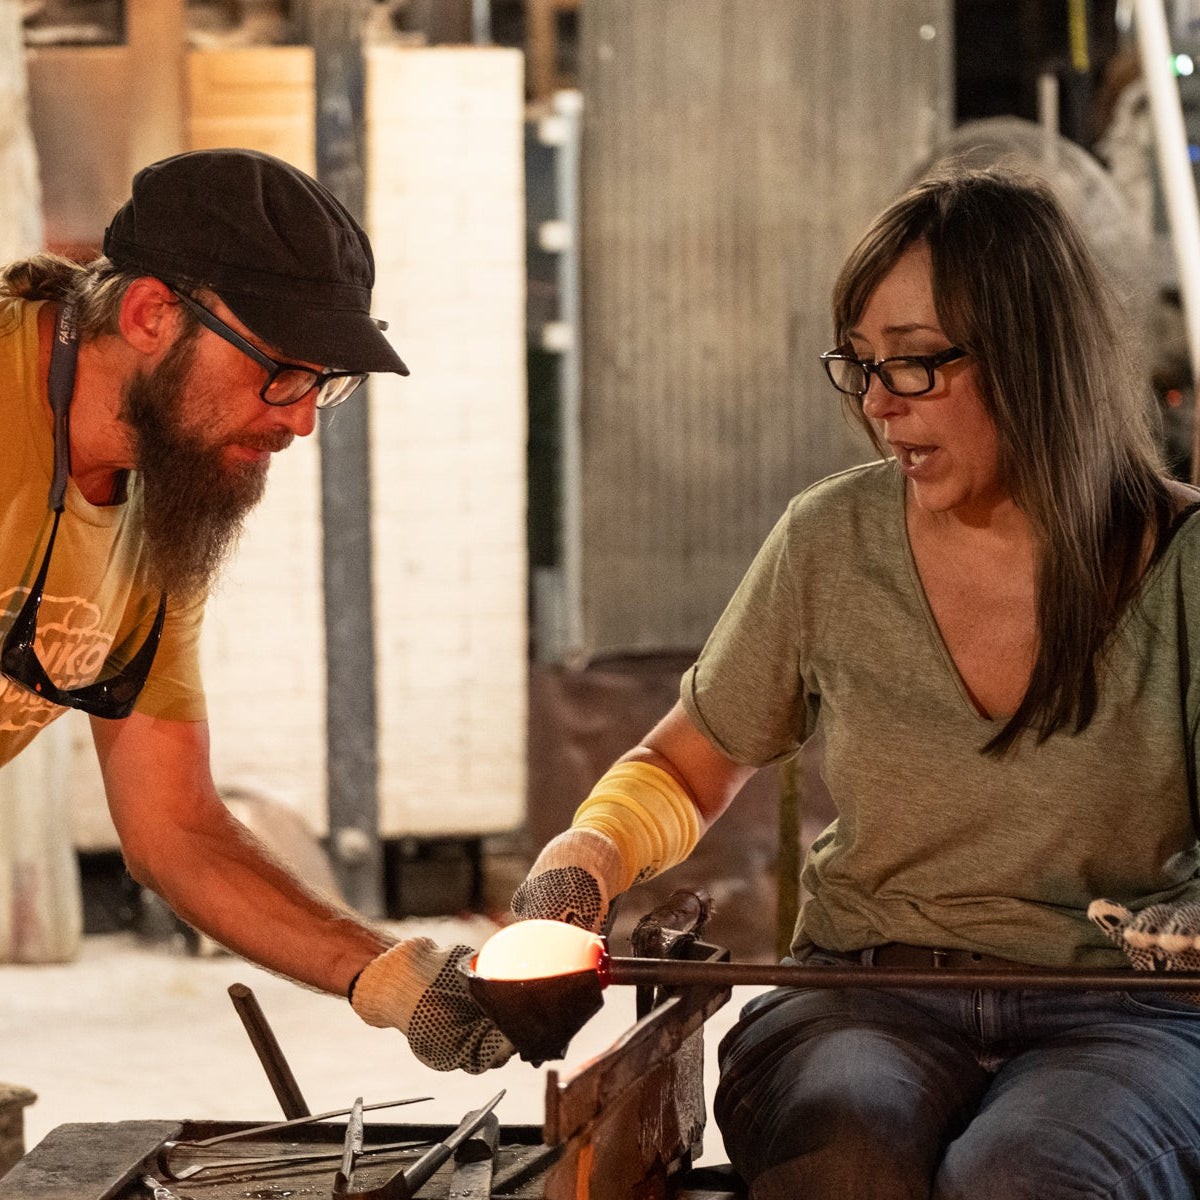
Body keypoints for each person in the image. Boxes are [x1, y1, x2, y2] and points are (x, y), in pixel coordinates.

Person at [510, 165, 1200, 1197]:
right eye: (861, 365)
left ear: (1035, 358)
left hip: (1126, 1018)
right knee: (849, 1154)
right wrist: (580, 866)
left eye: (916, 365)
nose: (878, 404)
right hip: (865, 993)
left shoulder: (1182, 563)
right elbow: (687, 763)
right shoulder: (832, 540)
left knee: (1028, 1173)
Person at [0, 147, 511, 1074]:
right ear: (152, 313)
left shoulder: (160, 507)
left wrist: (395, 978)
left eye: (323, 381)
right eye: (280, 369)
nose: (301, 418)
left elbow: (175, 830)